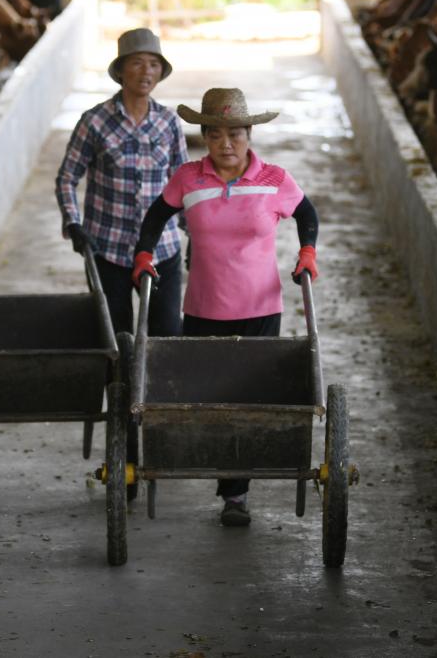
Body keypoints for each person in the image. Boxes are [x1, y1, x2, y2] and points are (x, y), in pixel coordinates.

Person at [131, 87, 320, 528]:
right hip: (202, 309)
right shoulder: (188, 180)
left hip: (259, 308)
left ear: (250, 134)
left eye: (235, 134)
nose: (227, 144)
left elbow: (307, 214)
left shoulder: (274, 179)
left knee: (247, 398)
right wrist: (144, 253)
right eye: (215, 135)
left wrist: (307, 251)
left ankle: (235, 495)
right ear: (205, 137)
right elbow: (156, 217)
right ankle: (225, 478)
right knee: (211, 400)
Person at [55, 28, 187, 337]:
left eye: (154, 64)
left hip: (161, 250)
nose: (146, 72)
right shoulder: (95, 121)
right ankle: (119, 387)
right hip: (108, 249)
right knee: (115, 339)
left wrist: (194, 232)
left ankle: (157, 388)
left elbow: (182, 184)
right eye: (138, 63)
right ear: (121, 70)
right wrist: (74, 224)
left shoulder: (168, 122)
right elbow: (66, 177)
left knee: (168, 335)